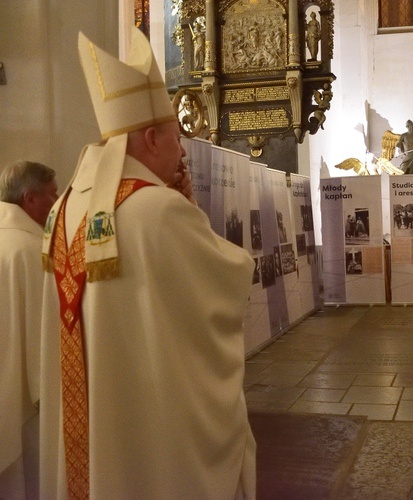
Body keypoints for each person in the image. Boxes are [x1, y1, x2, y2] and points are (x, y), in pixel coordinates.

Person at [38, 28, 256, 498]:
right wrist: (192, 213)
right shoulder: (158, 209)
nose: (182, 153)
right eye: (178, 139)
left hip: (88, 424)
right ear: (153, 137)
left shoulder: (62, 209)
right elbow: (231, 280)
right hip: (143, 427)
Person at [0, 160, 58, 500]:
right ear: (30, 199)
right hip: (24, 398)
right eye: (52, 194)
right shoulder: (31, 251)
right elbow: (43, 337)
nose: (57, 201)